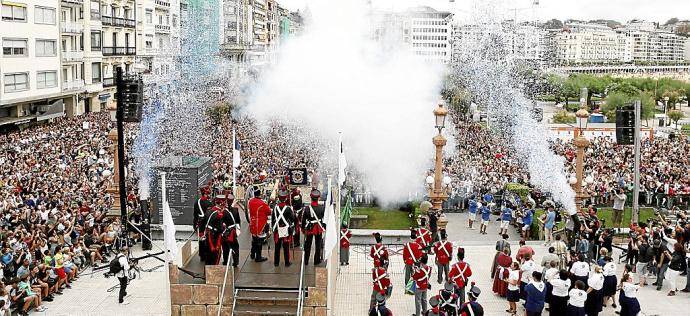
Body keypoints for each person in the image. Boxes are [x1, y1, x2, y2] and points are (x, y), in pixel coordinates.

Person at [204, 195, 232, 265]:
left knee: (208, 257)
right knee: (216, 257)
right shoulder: (219, 214)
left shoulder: (208, 211)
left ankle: (207, 273)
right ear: (222, 203)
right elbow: (220, 229)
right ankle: (213, 274)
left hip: (208, 236)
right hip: (215, 238)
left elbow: (204, 223)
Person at [271, 188, 296, 267]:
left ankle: (276, 262)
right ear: (285, 198)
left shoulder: (275, 207)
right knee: (286, 247)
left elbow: (273, 219)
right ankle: (287, 262)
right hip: (285, 229)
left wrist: (273, 228)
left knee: (277, 247)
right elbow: (292, 220)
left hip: (277, 229)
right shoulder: (288, 208)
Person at [302, 189, 325, 265]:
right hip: (318, 227)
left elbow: (303, 219)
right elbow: (323, 218)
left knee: (307, 244)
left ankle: (306, 260)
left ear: (311, 197)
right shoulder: (322, 208)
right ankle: (316, 260)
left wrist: (302, 228)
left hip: (309, 227)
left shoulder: (307, 208)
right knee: (318, 245)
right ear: (318, 198)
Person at [248, 187, 270, 262]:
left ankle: (252, 253)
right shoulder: (262, 203)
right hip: (260, 224)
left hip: (253, 223)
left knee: (254, 239)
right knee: (259, 241)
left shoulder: (250, 201)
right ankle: (258, 257)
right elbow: (269, 212)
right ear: (259, 194)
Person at [194, 185, 212, 262]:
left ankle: (202, 255)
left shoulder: (197, 202)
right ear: (206, 193)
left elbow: (195, 215)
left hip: (200, 223)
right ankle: (207, 254)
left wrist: (194, 224)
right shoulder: (209, 203)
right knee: (207, 239)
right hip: (207, 223)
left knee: (201, 239)